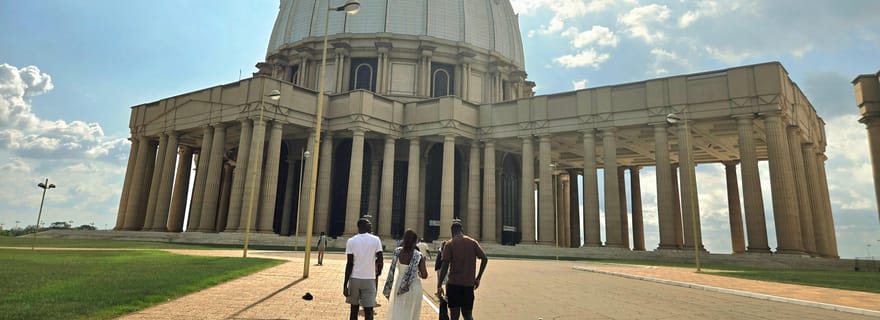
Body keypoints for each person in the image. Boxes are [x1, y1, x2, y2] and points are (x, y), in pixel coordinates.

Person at [437, 222, 488, 320]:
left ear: (452, 231)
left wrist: (439, 285)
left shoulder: (450, 243)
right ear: (462, 230)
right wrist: (478, 278)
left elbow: (445, 265)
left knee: (454, 316)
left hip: (454, 284)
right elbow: (484, 259)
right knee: (468, 314)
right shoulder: (472, 242)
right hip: (468, 285)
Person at [382, 229, 428, 319]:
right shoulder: (418, 255)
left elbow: (392, 270)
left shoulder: (397, 252)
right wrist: (417, 272)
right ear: (415, 241)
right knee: (411, 312)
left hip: (399, 285)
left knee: (399, 310)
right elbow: (425, 275)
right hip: (414, 285)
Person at [344, 218, 384, 320]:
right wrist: (377, 273)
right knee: (368, 310)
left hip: (354, 278)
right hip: (369, 279)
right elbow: (380, 259)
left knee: (354, 309)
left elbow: (349, 263)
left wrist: (345, 284)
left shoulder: (351, 241)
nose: (371, 226)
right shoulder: (376, 240)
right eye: (369, 224)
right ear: (363, 226)